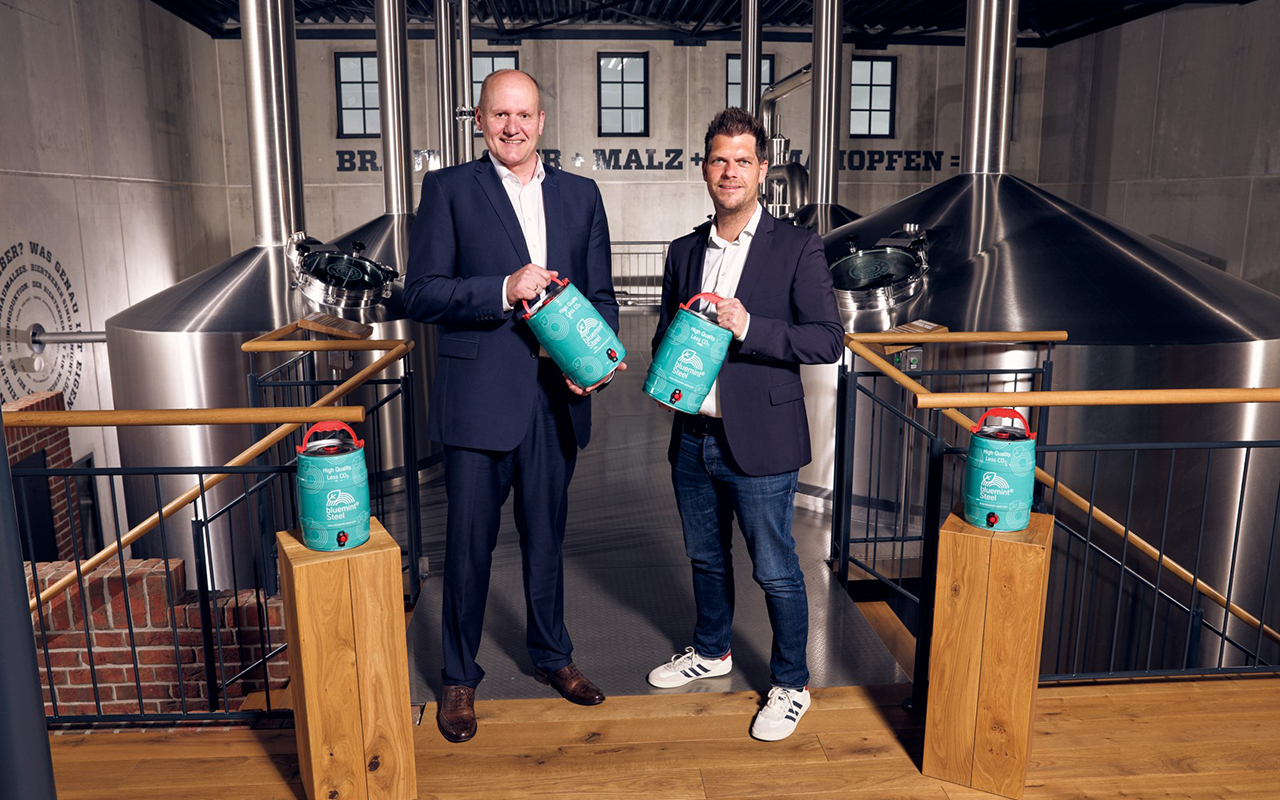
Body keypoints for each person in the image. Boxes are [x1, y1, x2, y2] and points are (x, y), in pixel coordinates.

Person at [405, 69, 622, 743]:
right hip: (478, 402)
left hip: (554, 400)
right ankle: (458, 678)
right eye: (500, 114)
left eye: (524, 114)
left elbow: (604, 297)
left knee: (546, 538)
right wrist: (502, 287)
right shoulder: (447, 191)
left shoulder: (581, 196)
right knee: (468, 547)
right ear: (478, 119)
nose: (513, 126)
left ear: (542, 120)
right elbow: (422, 294)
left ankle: (552, 657)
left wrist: (594, 366)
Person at [645, 107, 844, 741]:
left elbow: (826, 340)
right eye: (718, 159)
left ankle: (791, 684)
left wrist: (749, 326)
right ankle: (712, 650)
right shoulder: (683, 251)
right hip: (693, 437)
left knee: (774, 566)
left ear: (762, 170)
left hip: (761, 439)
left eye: (742, 160)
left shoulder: (798, 247)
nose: (729, 171)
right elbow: (664, 336)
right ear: (705, 168)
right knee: (705, 556)